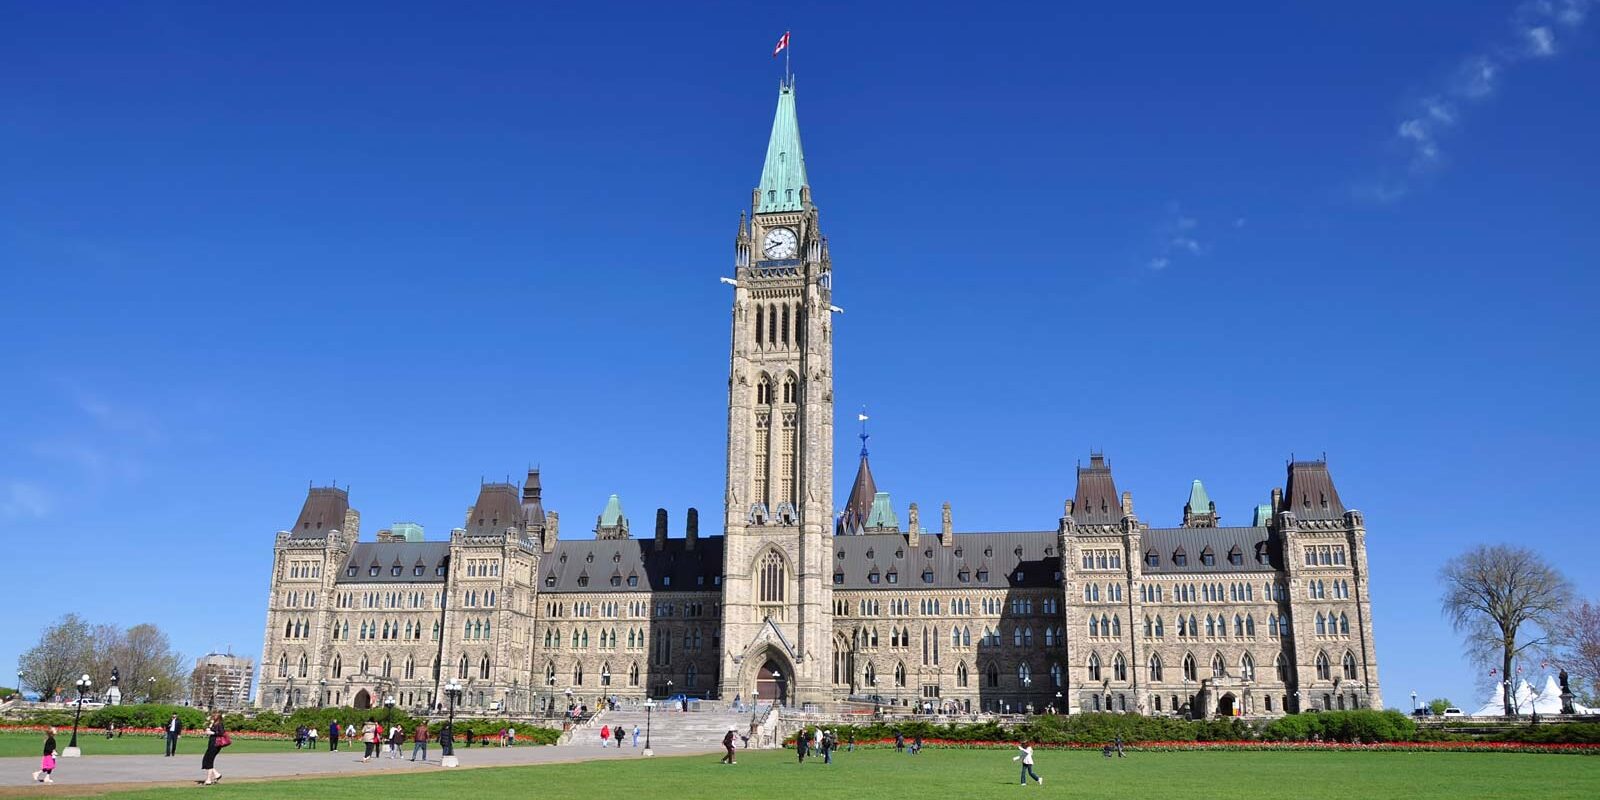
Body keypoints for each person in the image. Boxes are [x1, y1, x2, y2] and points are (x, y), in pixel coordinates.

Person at [201, 713, 227, 785]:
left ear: (218, 717)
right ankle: (217, 774)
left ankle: (208, 779)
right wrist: (210, 725)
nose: (212, 717)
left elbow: (221, 733)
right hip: (211, 744)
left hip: (216, 744)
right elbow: (207, 730)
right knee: (206, 760)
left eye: (214, 716)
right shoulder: (214, 724)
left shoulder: (220, 724)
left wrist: (212, 733)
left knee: (209, 761)